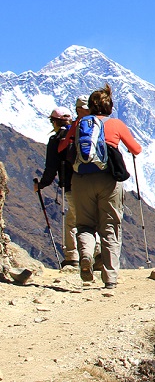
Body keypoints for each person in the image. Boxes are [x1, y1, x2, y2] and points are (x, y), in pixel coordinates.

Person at [60, 85, 142, 289]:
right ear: (109, 107)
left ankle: (86, 255)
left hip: (80, 179)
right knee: (110, 228)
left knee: (85, 225)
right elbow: (136, 149)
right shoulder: (116, 124)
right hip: (108, 181)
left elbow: (62, 147)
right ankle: (110, 278)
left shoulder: (79, 124)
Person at [35, 106, 78, 269]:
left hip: (70, 184)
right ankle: (91, 254)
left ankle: (77, 256)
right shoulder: (80, 134)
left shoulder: (56, 140)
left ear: (55, 121)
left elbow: (51, 168)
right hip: (91, 182)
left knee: (75, 220)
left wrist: (41, 185)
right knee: (83, 218)